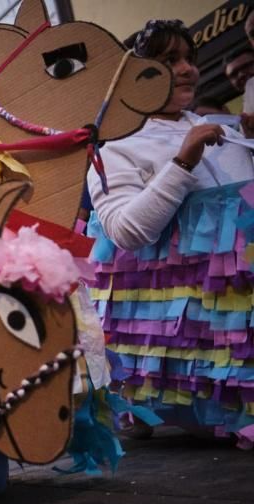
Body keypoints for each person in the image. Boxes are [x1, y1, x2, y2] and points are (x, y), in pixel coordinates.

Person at [88, 19, 254, 447]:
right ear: (133, 79)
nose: (185, 69)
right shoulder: (114, 149)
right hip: (187, 353)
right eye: (167, 61)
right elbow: (127, 231)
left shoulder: (227, 130)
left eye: (188, 59)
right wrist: (182, 161)